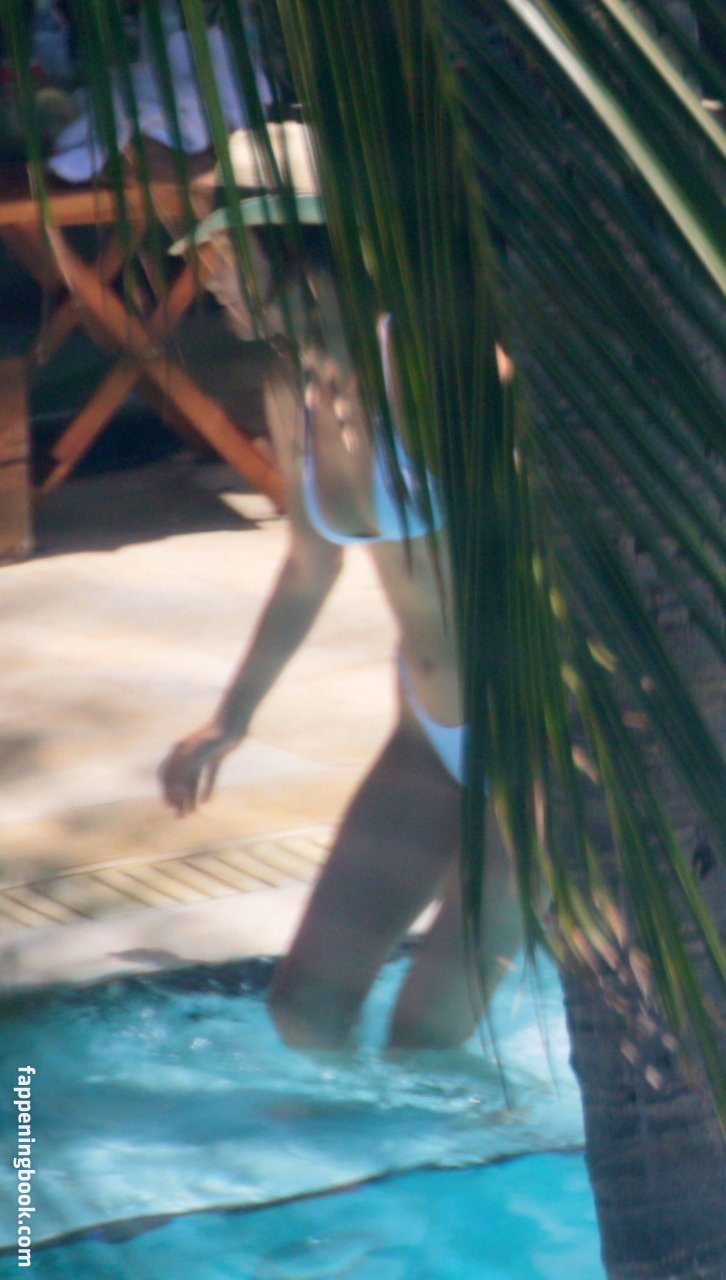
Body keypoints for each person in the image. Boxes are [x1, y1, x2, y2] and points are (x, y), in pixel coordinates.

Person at [159, 196, 522, 1051]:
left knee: (425, 1040)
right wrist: (232, 716)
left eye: (226, 255)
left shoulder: (434, 365)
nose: (210, 281)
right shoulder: (296, 387)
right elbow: (307, 565)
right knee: (304, 1012)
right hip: (426, 731)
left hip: (535, 739)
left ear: (298, 247)